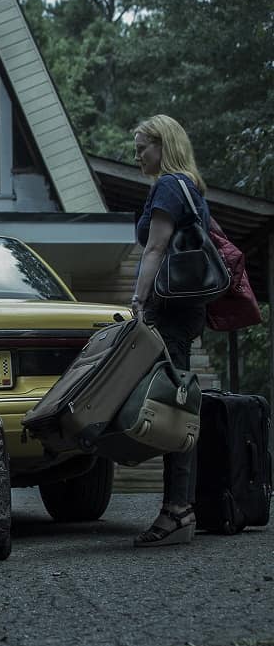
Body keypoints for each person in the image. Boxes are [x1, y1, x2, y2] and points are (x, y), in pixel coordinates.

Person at [130, 114, 210, 547]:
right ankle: (178, 507)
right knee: (174, 401)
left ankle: (178, 509)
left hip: (169, 309)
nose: (138, 155)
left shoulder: (168, 186)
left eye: (143, 146)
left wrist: (138, 303)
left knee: (174, 406)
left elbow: (156, 248)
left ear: (164, 144)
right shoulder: (192, 186)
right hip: (187, 309)